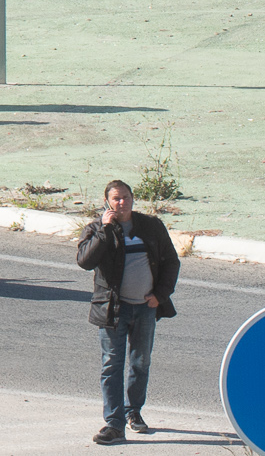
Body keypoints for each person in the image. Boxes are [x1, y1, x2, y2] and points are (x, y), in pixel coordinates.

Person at [77, 180, 181, 444]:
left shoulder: (151, 226)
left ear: (133, 199)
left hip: (145, 308)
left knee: (140, 362)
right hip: (113, 309)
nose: (121, 203)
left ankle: (133, 411)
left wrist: (160, 294)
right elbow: (85, 261)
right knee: (112, 364)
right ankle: (114, 424)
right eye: (115, 199)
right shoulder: (96, 229)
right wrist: (105, 229)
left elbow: (171, 261)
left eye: (125, 197)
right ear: (107, 202)